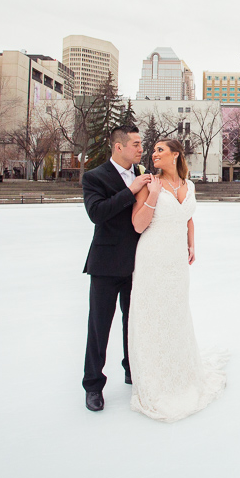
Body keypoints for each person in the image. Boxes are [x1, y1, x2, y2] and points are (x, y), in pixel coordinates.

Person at [128, 138, 226, 422]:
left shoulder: (188, 184)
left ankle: (181, 372)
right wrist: (154, 196)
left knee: (175, 314)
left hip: (176, 263)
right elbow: (137, 224)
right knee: (153, 316)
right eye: (153, 150)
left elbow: (188, 217)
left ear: (175, 154)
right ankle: (155, 378)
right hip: (152, 258)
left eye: (160, 150)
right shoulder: (149, 182)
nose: (154, 154)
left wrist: (191, 243)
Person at [81, 126, 151, 412]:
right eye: (135, 144)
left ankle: (131, 369)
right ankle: (93, 385)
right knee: (99, 327)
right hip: (106, 265)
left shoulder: (142, 174)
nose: (141, 149)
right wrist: (130, 191)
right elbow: (97, 214)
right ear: (118, 147)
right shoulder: (94, 177)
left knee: (132, 324)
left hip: (138, 264)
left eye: (141, 144)